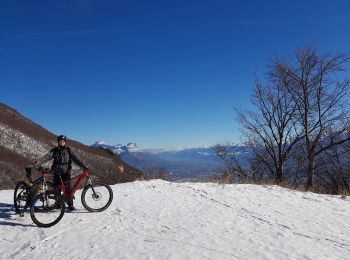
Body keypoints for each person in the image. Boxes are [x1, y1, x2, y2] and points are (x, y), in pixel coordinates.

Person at [29, 135, 89, 210]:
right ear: (58, 142)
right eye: (60, 141)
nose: (62, 143)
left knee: (68, 189)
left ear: (65, 142)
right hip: (56, 172)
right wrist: (37, 163)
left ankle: (70, 204)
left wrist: (83, 166)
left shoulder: (68, 150)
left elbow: (76, 159)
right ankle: (58, 203)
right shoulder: (55, 150)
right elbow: (46, 157)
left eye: (63, 141)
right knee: (57, 189)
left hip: (66, 172)